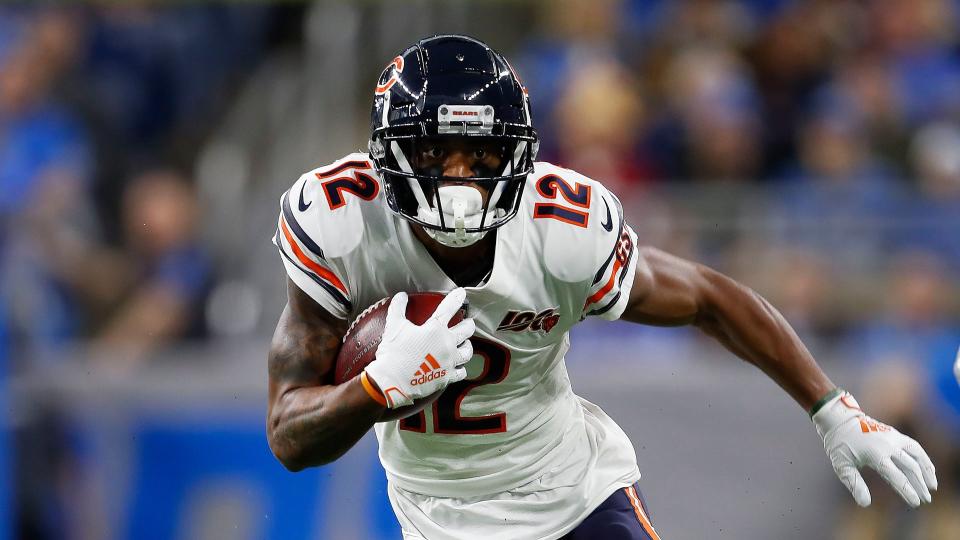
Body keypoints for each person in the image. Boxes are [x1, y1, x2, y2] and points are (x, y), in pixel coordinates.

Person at [266, 35, 937, 540]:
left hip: (571, 491)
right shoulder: (342, 223)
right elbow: (290, 436)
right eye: (437, 156)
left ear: (521, 154)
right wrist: (374, 389)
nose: (461, 180)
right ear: (391, 156)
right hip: (440, 517)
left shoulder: (562, 227)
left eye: (483, 157)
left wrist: (830, 407)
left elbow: (707, 297)